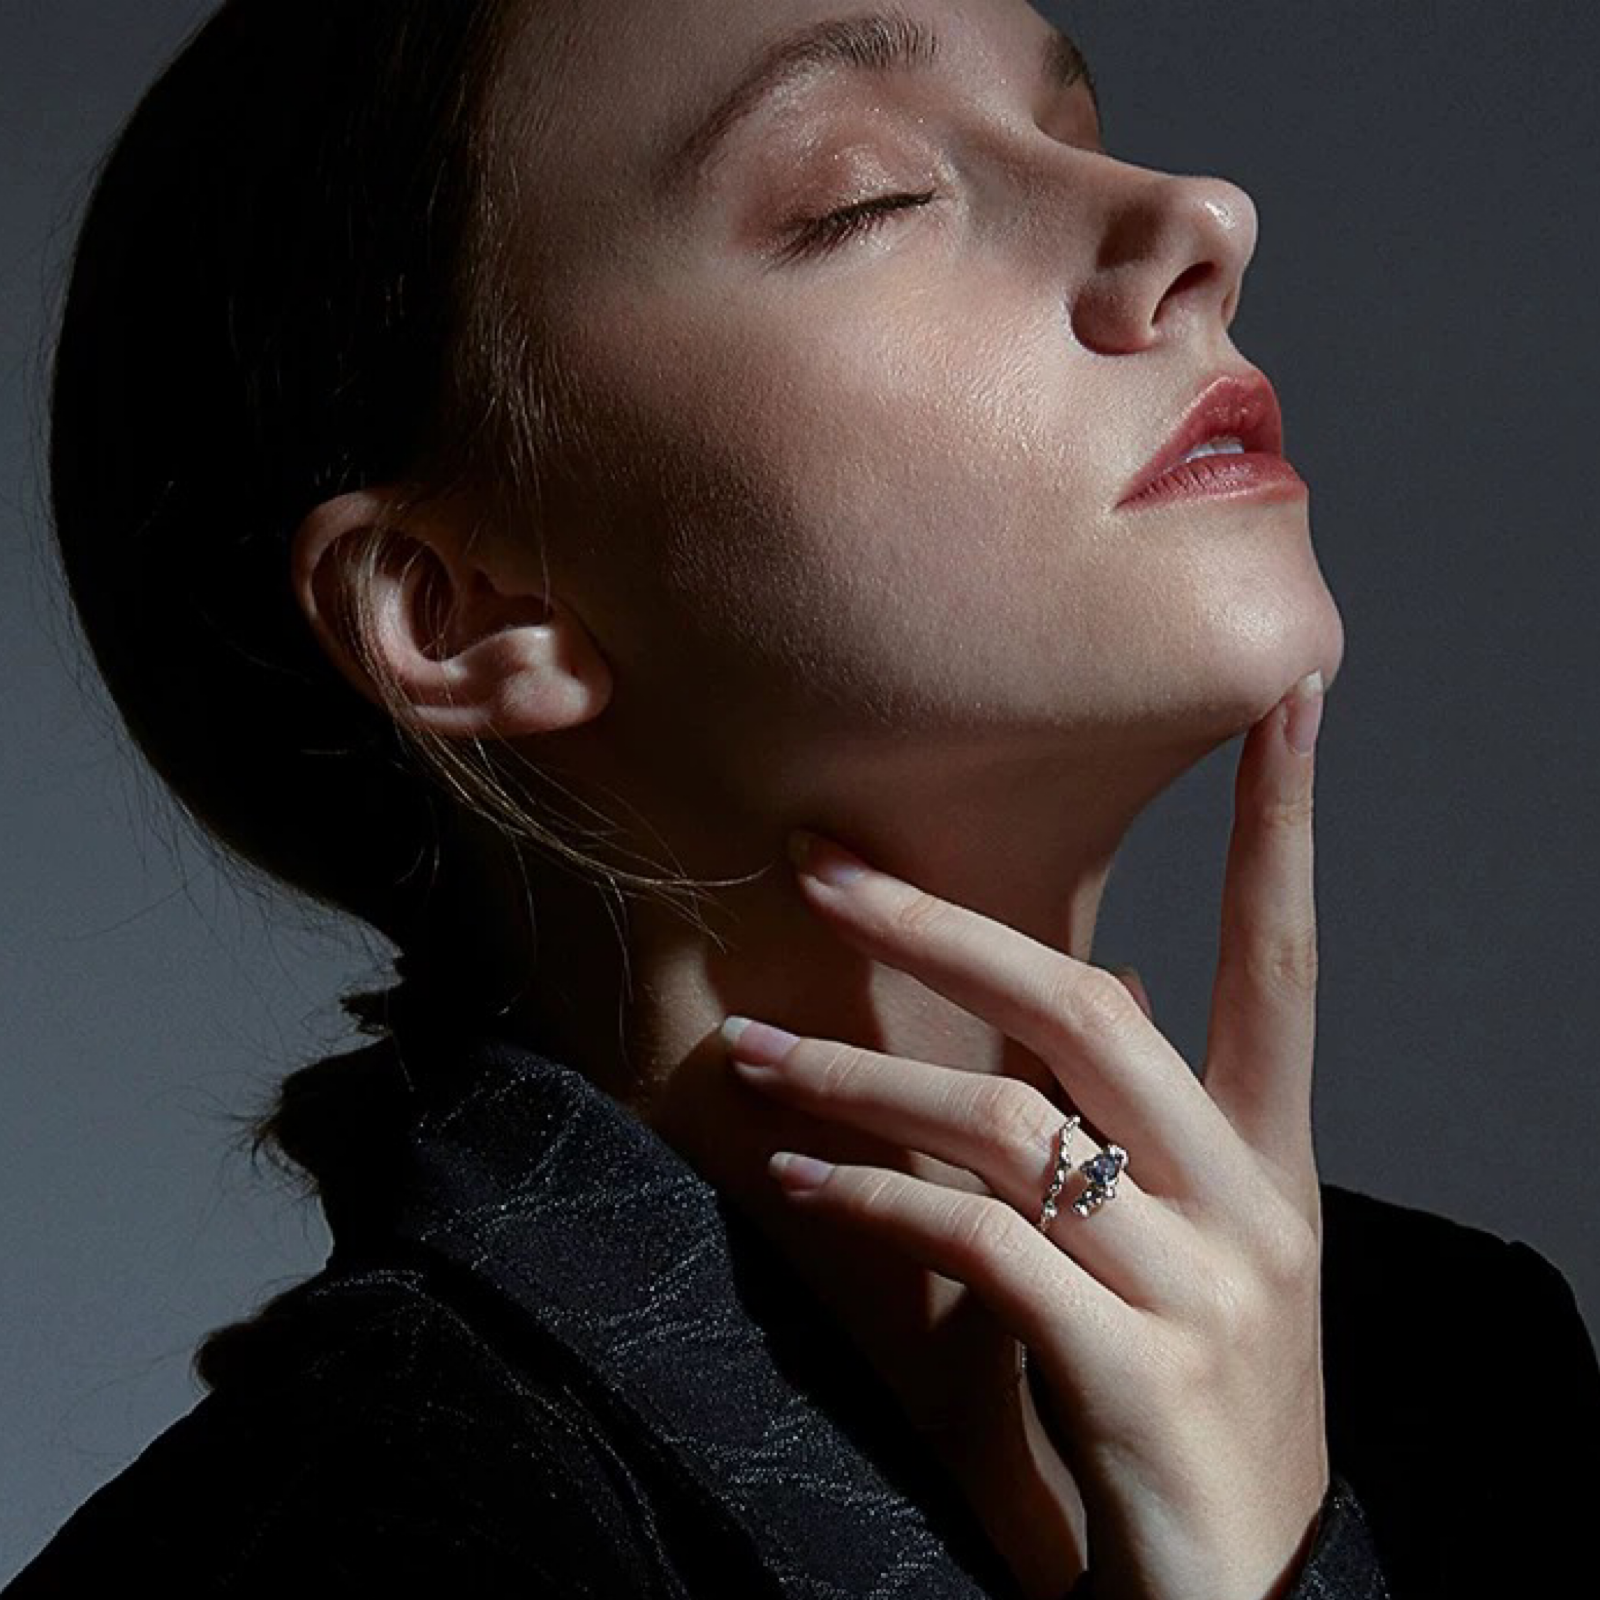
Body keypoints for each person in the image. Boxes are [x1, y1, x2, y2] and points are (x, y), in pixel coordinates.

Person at [8, 0, 1597, 1596]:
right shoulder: (326, 1552)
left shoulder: (1455, 1378)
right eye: (866, 196)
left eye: (1081, 132)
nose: (1203, 216)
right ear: (464, 605)